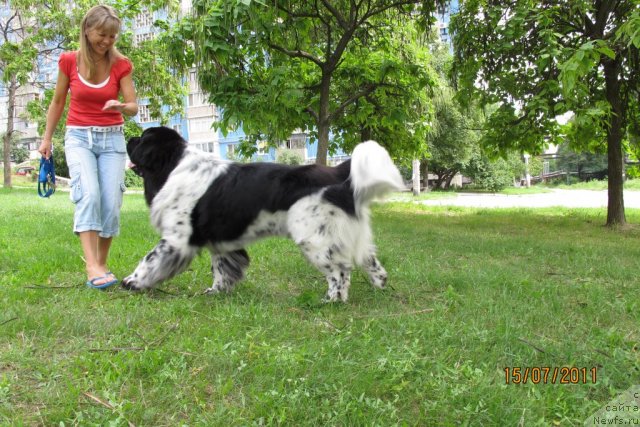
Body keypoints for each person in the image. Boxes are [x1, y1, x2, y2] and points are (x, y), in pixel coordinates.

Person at [38, 5, 138, 289]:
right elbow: (57, 102)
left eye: (112, 36)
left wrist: (121, 105)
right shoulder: (69, 61)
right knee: (89, 195)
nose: (107, 41)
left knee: (111, 203)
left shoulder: (122, 64)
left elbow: (132, 105)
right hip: (79, 137)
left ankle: (102, 264)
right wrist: (46, 139)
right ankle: (91, 266)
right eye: (102, 34)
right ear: (86, 30)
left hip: (112, 138)